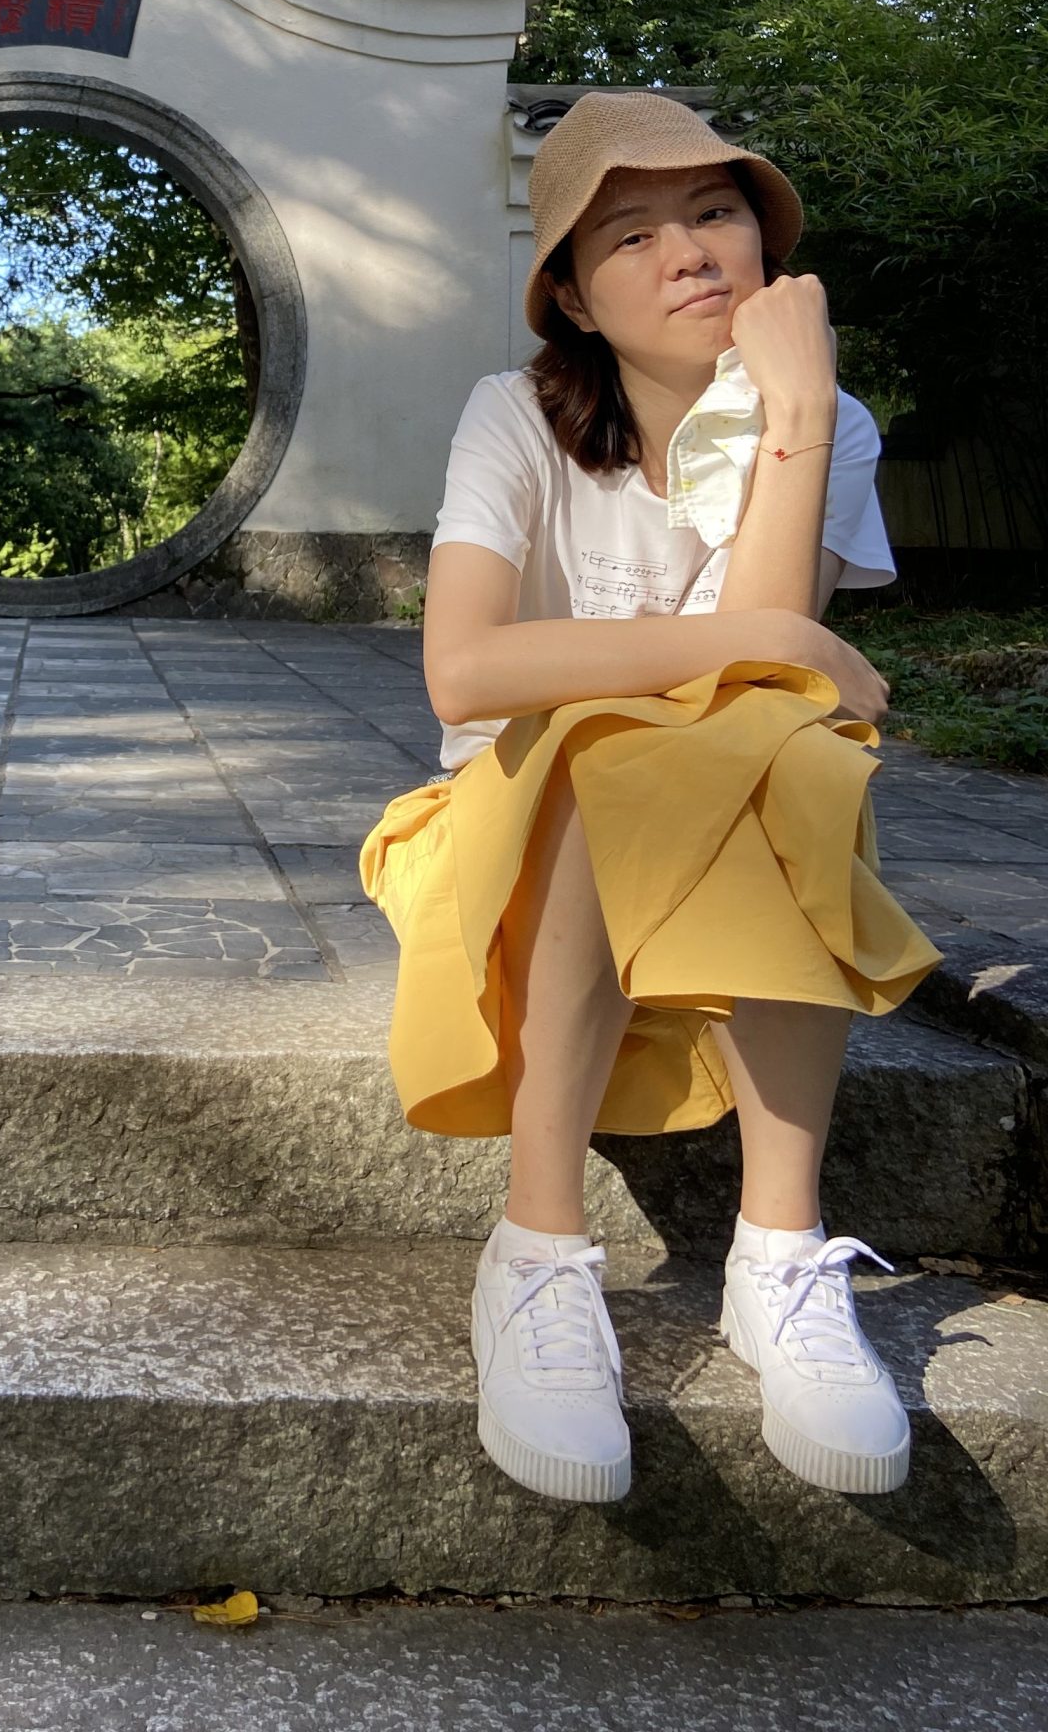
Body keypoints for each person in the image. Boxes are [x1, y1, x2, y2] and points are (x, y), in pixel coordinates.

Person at [359, 88, 942, 1506]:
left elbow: (765, 687)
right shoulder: (515, 416)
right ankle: (537, 1250)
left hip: (726, 824)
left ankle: (778, 1254)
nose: (688, 253)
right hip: (508, 823)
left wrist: (797, 415)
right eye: (632, 235)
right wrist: (775, 639)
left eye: (716, 213)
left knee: (786, 743)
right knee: (606, 744)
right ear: (571, 294)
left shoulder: (828, 419)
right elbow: (464, 671)